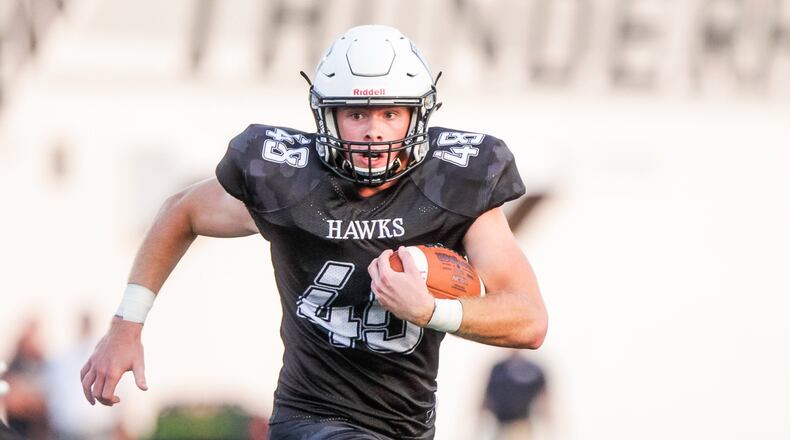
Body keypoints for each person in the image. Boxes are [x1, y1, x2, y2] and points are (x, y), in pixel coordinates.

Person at [80, 24, 548, 439]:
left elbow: (528, 320)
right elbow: (181, 211)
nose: (373, 131)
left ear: (417, 115)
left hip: (407, 423)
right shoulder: (290, 180)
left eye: (390, 114)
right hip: (310, 418)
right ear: (327, 115)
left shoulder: (454, 184)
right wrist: (126, 326)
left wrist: (431, 310)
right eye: (356, 114)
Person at [481, 350, 548, 440]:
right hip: (501, 424)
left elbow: (543, 395)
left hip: (520, 424)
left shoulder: (532, 369)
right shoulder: (498, 369)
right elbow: (488, 395)